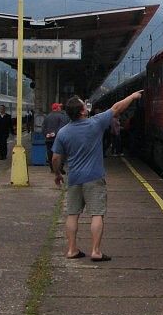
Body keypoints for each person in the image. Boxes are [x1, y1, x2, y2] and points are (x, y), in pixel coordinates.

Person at [51, 90, 143, 262]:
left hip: (74, 178)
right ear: (82, 111)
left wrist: (58, 173)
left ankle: (71, 249)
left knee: (72, 214)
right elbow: (117, 108)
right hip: (94, 178)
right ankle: (95, 251)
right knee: (97, 215)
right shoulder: (96, 123)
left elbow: (55, 158)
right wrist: (132, 96)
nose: (87, 106)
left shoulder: (63, 132)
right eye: (84, 105)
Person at [42, 102, 70, 168]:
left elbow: (43, 127)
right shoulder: (62, 116)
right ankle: (60, 167)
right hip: (58, 138)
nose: (60, 108)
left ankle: (52, 167)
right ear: (57, 108)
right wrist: (55, 133)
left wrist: (46, 134)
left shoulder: (47, 116)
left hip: (48, 139)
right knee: (61, 152)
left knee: (50, 152)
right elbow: (63, 126)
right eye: (59, 107)